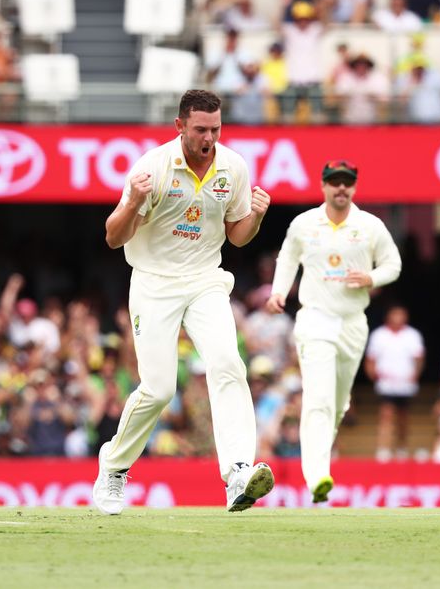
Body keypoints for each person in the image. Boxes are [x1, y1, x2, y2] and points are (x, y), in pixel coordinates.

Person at [92, 89, 275, 515]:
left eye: (215, 129)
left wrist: (258, 216)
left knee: (229, 363)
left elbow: (237, 236)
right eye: (200, 130)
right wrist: (134, 202)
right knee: (158, 390)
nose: (208, 138)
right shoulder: (152, 168)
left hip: (206, 280)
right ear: (179, 127)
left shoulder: (233, 167)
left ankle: (236, 475)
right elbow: (113, 237)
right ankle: (113, 469)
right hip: (154, 283)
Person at [266, 160, 401, 504]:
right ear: (323, 186)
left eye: (347, 183)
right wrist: (279, 292)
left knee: (338, 405)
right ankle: (317, 476)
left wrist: (371, 278)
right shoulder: (304, 224)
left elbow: (393, 264)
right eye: (334, 182)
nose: (341, 188)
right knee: (319, 398)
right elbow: (287, 259)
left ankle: (320, 463)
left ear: (354, 187)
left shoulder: (370, 226)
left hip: (353, 322)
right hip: (315, 319)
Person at [365, 305, 424, 461]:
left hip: (405, 384)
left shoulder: (412, 335)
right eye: (395, 314)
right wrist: (374, 375)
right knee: (386, 415)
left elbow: (419, 359)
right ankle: (383, 449)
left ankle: (401, 448)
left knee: (403, 417)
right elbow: (371, 360)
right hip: (387, 384)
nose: (398, 318)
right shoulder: (379, 335)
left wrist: (415, 375)